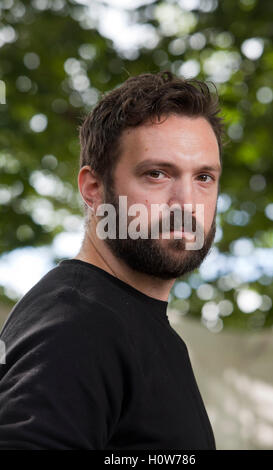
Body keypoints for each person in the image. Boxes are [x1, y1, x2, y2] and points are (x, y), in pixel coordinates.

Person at [0, 70, 223, 450]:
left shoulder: (126, 321)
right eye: (157, 174)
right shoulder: (77, 325)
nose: (186, 204)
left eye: (203, 177)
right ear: (93, 188)